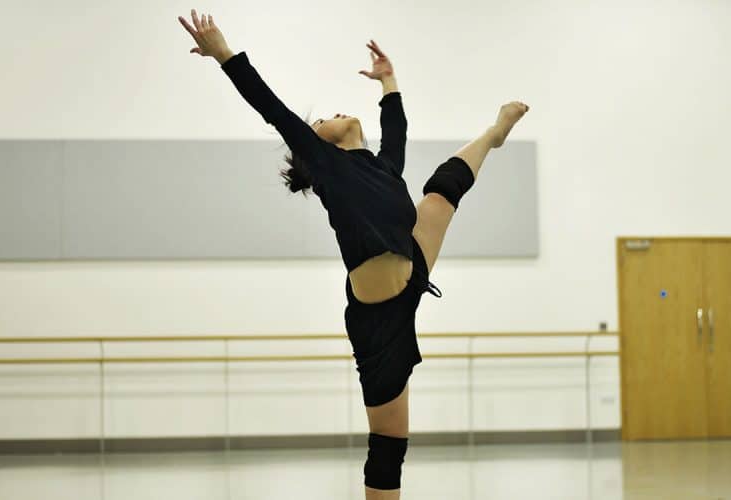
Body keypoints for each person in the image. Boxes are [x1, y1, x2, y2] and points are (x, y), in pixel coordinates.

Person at [179, 9, 528, 499]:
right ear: (313, 146)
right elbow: (272, 108)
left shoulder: (385, 167)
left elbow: (397, 129)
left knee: (439, 191)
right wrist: (224, 55)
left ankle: (493, 134)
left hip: (411, 265)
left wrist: (389, 81)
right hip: (380, 318)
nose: (333, 115)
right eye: (322, 121)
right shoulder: (326, 166)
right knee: (388, 445)